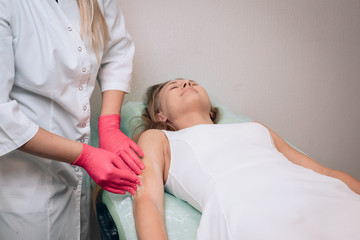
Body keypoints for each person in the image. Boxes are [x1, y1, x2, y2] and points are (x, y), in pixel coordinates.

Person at [132, 78, 360, 240]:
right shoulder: (158, 138)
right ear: (160, 115)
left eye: (192, 82)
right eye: (174, 86)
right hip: (251, 208)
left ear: (211, 110)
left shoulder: (255, 128)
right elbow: (148, 200)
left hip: (321, 195)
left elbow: (325, 173)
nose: (186, 84)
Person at [0, 1, 144, 239]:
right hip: (25, 182)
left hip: (79, 178)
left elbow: (117, 52)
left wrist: (109, 124)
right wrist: (85, 156)